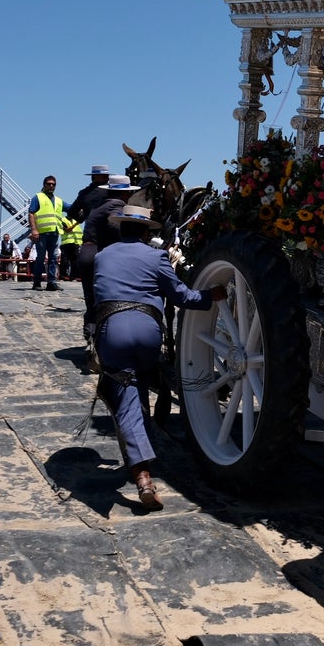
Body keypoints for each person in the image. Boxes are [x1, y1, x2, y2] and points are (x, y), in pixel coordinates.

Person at [93, 204, 225, 510]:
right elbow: (181, 297)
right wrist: (212, 295)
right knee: (138, 391)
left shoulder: (102, 256)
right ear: (146, 232)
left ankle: (143, 477)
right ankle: (146, 449)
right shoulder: (156, 257)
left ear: (121, 229)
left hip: (112, 330)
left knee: (126, 399)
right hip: (148, 330)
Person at [78, 174, 140, 344]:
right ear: (124, 193)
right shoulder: (116, 204)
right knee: (106, 300)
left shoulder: (99, 204)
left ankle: (90, 337)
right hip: (98, 254)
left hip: (86, 252)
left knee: (91, 300)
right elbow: (114, 224)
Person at [28, 175, 68, 291]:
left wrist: (82, 206)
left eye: (53, 184)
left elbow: (70, 208)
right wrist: (34, 230)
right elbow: (31, 213)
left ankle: (51, 283)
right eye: (49, 184)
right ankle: (37, 283)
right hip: (41, 234)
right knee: (40, 258)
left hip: (54, 233)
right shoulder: (38, 197)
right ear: (44, 185)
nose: (51, 186)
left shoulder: (59, 201)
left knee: (53, 259)